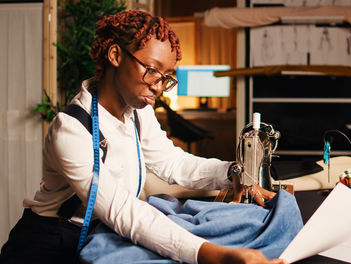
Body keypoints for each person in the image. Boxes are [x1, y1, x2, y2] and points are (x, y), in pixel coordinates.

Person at [0, 9, 282, 264]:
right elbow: (123, 211)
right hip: (46, 246)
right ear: (115, 55)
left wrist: (231, 172)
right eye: (152, 70)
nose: (159, 86)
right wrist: (216, 255)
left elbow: (172, 163)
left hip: (99, 235)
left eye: (166, 76)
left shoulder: (137, 111)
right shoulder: (72, 128)